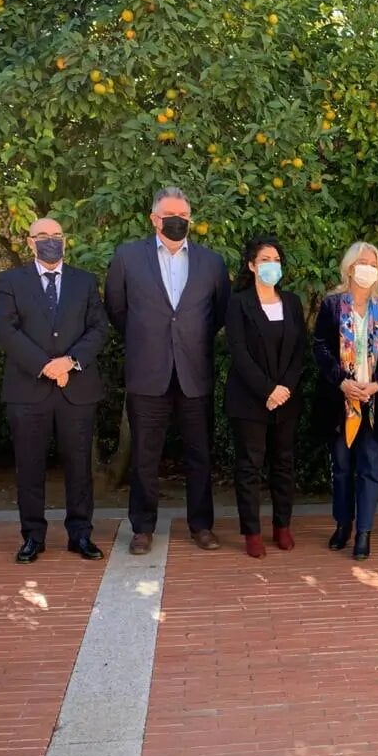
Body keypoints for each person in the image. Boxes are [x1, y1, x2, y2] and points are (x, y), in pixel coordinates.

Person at [104, 187, 231, 555]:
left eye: (183, 215)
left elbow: (217, 313)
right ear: (154, 219)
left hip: (195, 372)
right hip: (148, 372)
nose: (177, 221)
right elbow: (117, 308)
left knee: (200, 454)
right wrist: (147, 339)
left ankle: (201, 525)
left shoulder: (211, 262)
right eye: (169, 215)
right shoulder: (128, 257)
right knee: (145, 455)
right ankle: (143, 528)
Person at [0, 217, 109, 564]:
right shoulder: (11, 281)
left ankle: (81, 535)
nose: (50, 241)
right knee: (29, 467)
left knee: (79, 467)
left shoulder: (84, 282)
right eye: (42, 236)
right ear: (29, 242)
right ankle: (32, 536)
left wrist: (70, 362)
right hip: (28, 389)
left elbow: (99, 328)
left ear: (65, 240)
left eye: (56, 236)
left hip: (77, 388)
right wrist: (45, 365)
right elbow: (5, 329)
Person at [311, 241, 378, 561]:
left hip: (374, 401)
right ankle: (343, 524)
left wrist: (377, 384)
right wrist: (343, 381)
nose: (367, 268)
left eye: (373, 264)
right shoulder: (333, 305)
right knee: (342, 468)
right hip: (342, 401)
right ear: (350, 267)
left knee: (370, 467)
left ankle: (364, 531)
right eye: (362, 262)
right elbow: (320, 346)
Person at [225, 235, 307, 559]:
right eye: (264, 260)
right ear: (251, 265)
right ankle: (252, 531)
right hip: (250, 399)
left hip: (287, 399)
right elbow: (239, 352)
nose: (271, 266)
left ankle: (282, 526)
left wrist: (284, 388)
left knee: (284, 464)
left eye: (276, 260)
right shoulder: (239, 303)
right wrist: (267, 390)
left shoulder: (292, 302)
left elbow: (299, 349)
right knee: (250, 466)